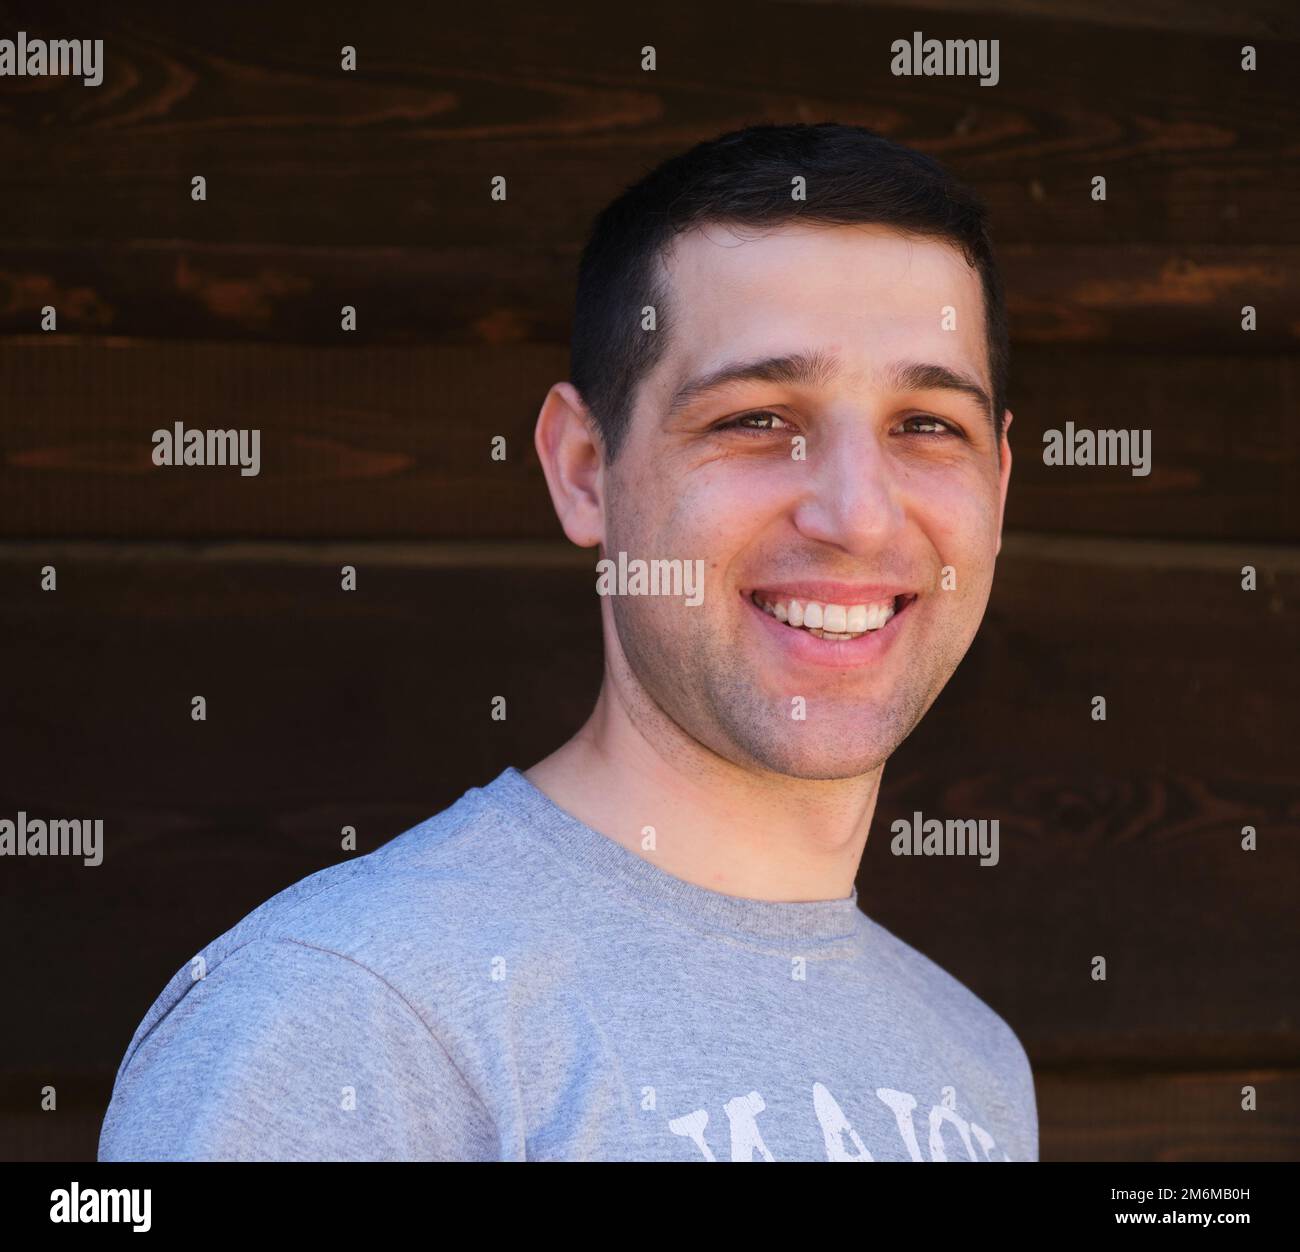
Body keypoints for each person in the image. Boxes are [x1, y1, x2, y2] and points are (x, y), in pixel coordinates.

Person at [99, 121, 1033, 1162]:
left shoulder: (972, 1059)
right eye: (758, 418)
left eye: (925, 425)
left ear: (995, 488)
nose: (857, 515)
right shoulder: (343, 1013)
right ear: (584, 468)